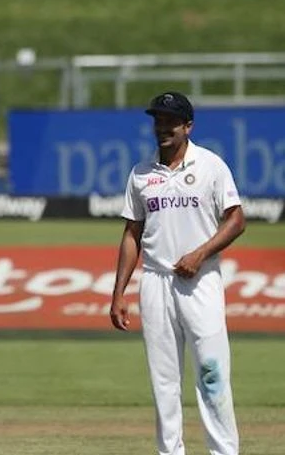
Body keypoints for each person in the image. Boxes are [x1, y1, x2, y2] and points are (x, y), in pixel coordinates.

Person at [109, 91, 245, 455]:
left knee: (212, 373)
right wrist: (118, 293)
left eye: (171, 121)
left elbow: (236, 220)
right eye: (158, 121)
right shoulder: (141, 173)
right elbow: (132, 234)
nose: (163, 128)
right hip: (155, 282)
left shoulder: (211, 166)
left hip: (200, 282)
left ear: (188, 126)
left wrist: (200, 254)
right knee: (164, 381)